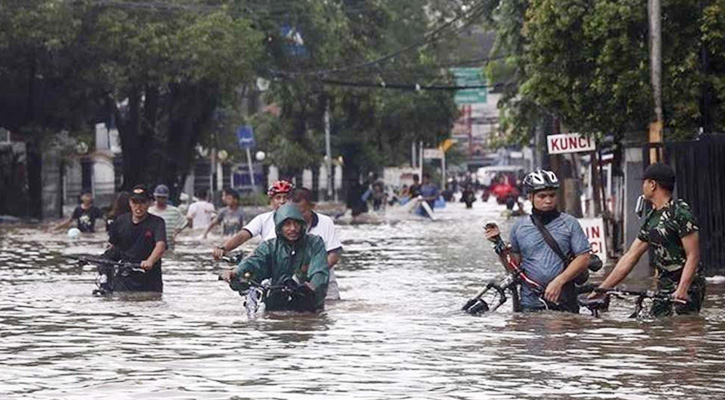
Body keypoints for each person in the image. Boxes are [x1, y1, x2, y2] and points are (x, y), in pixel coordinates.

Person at [590, 163, 705, 317]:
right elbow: (631, 256)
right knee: (658, 329)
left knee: (684, 330)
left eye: (644, 182)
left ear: (652, 185)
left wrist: (683, 288)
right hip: (664, 286)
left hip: (687, 286)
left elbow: (694, 255)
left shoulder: (680, 212)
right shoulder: (652, 217)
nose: (642, 187)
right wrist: (602, 289)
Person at [484, 169, 591, 312]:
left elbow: (584, 258)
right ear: (530, 197)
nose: (548, 200)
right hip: (530, 303)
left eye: (552, 195)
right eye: (542, 196)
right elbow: (513, 268)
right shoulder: (519, 227)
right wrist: (498, 244)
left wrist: (559, 281)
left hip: (563, 302)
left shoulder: (570, 223)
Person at [220, 203, 329, 311]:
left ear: (302, 225)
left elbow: (319, 271)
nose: (293, 228)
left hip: (308, 302)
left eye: (296, 224)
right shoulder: (269, 246)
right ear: (279, 227)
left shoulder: (314, 243)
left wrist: (312, 286)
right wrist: (236, 272)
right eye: (287, 224)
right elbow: (254, 262)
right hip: (276, 300)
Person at [102, 185, 167, 292]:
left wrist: (149, 261)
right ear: (130, 203)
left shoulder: (157, 223)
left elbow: (161, 245)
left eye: (142, 202)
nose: (138, 206)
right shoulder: (120, 221)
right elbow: (113, 246)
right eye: (135, 202)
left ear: (149, 203)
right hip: (124, 278)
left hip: (149, 280)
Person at [211, 180, 293, 258]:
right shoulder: (263, 219)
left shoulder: (299, 219)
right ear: (271, 201)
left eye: (286, 198)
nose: (282, 201)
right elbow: (243, 235)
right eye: (278, 198)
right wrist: (223, 248)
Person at [291, 187, 344, 300]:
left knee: (330, 310)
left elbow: (334, 256)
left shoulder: (325, 222)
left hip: (326, 282)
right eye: (294, 212)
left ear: (312, 207)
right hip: (294, 281)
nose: (298, 217)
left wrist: (314, 273)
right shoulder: (285, 225)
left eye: (302, 212)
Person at [148, 184, 188, 250]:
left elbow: (184, 223)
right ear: (155, 197)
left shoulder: (174, 211)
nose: (160, 199)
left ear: (167, 197)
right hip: (153, 245)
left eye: (163, 197)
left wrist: (176, 233)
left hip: (170, 246)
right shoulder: (149, 211)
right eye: (159, 197)